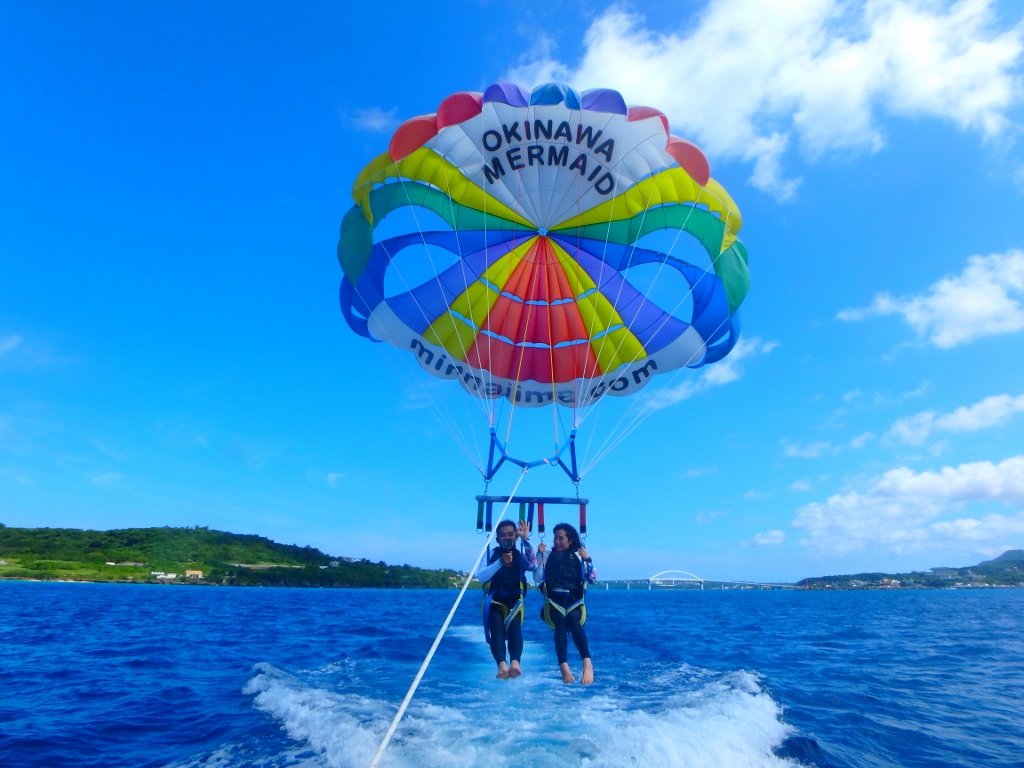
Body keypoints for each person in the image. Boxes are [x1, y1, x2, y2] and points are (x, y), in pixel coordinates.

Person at [535, 523, 596, 684]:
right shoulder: (547, 555)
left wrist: (588, 559)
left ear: (570, 541)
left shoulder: (579, 557)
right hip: (553, 602)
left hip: (574, 601)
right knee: (561, 622)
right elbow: (537, 578)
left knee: (572, 620)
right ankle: (563, 666)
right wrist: (539, 556)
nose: (556, 541)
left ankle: (587, 663)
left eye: (561, 538)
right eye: (555, 537)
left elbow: (592, 579)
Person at [476, 519, 536, 679]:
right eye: (503, 535)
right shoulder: (490, 554)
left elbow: (533, 566)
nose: (507, 538)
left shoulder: (521, 556)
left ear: (516, 537)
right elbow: (481, 577)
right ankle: (502, 666)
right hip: (494, 600)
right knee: (496, 630)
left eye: (511, 534)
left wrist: (526, 539)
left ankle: (515, 663)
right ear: (497, 539)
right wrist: (500, 563)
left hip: (515, 601)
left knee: (515, 629)